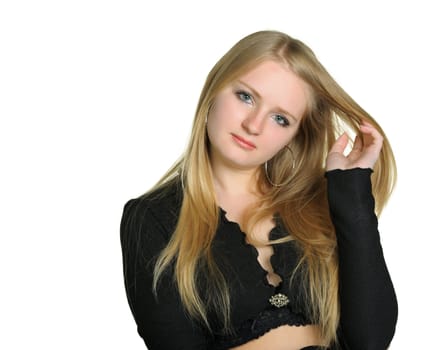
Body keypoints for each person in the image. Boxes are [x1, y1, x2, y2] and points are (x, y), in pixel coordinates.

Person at [120, 30, 398, 350]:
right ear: (215, 87)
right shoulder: (152, 219)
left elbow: (371, 340)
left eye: (280, 118)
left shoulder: (319, 208)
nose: (254, 125)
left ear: (294, 135)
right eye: (246, 97)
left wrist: (352, 192)